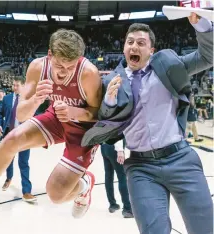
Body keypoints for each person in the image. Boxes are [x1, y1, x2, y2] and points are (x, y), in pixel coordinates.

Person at [0, 29, 102, 224]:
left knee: (56, 194)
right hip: (56, 117)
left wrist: (75, 112)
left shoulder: (89, 73)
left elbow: (97, 115)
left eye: (70, 67)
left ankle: (85, 184)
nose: (63, 72)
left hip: (83, 128)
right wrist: (37, 100)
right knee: (12, 139)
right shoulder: (38, 67)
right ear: (49, 55)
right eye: (59, 66)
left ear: (79, 60)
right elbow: (21, 114)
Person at [82, 13, 213, 234]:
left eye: (141, 43)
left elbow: (208, 56)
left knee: (205, 228)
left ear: (151, 50)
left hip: (180, 158)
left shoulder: (169, 66)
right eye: (130, 42)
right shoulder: (109, 82)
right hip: (141, 168)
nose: (134, 46)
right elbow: (105, 124)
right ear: (124, 48)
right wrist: (108, 103)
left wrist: (201, 25)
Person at [0, 77, 36, 202]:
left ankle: (27, 191)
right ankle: (9, 178)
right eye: (13, 85)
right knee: (8, 160)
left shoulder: (29, 99)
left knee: (23, 163)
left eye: (17, 85)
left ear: (23, 86)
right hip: (9, 134)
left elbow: (36, 115)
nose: (14, 87)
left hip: (24, 135)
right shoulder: (7, 98)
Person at [100, 139, 133, 218]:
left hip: (104, 146)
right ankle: (127, 209)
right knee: (122, 176)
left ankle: (112, 204)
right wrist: (120, 150)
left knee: (108, 175)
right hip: (114, 147)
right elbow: (117, 131)